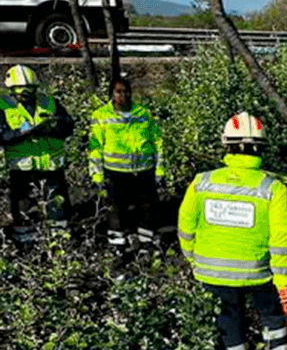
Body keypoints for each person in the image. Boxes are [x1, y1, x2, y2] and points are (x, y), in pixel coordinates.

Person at [177, 112, 287, 350]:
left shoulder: (202, 182)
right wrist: (284, 282)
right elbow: (283, 240)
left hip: (211, 272)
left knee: (227, 320)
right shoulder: (273, 189)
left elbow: (185, 227)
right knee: (272, 315)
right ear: (261, 147)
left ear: (226, 145)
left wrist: (194, 260)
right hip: (259, 274)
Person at [0, 65, 75, 244]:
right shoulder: (3, 106)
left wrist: (52, 128)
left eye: (29, 89)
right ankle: (26, 246)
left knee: (57, 207)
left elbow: (68, 126)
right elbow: (2, 136)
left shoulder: (49, 102)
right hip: (22, 168)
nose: (25, 93)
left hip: (51, 166)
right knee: (24, 209)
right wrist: (21, 133)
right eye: (20, 89)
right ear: (11, 88)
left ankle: (60, 245)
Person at [88, 76, 164, 248]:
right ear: (111, 94)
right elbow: (95, 148)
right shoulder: (101, 116)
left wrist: (160, 170)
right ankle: (118, 247)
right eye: (118, 92)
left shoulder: (143, 114)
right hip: (115, 174)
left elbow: (158, 143)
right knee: (116, 211)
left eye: (127, 91)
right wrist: (97, 175)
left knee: (147, 209)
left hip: (144, 171)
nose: (123, 96)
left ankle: (146, 245)